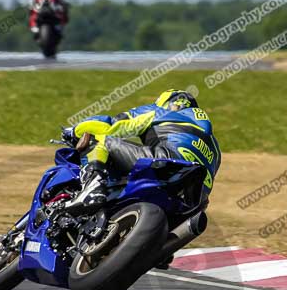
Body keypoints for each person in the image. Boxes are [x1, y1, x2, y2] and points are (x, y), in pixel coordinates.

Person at [62, 89, 221, 217]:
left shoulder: (160, 111)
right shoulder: (215, 147)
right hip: (195, 201)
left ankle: (92, 189)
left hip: (166, 162)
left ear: (167, 102)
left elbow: (113, 126)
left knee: (98, 140)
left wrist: (75, 130)